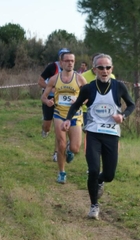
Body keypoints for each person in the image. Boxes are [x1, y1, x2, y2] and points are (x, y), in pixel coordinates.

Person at [61, 53, 135, 220]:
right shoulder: (88, 88)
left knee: (109, 175)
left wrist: (122, 115)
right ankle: (94, 205)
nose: (104, 71)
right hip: (93, 133)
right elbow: (76, 105)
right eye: (100, 68)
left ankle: (100, 181)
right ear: (94, 70)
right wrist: (67, 120)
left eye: (108, 67)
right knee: (93, 170)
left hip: (111, 135)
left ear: (112, 69)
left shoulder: (119, 87)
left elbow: (131, 105)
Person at [41, 51, 87, 184]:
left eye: (72, 61)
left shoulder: (79, 79)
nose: (70, 63)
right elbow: (44, 96)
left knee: (75, 148)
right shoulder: (55, 79)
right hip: (59, 114)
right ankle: (62, 172)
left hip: (75, 115)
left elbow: (88, 97)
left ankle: (69, 149)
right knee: (60, 144)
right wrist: (47, 101)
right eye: (67, 60)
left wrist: (79, 101)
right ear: (61, 63)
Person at [38, 48, 70, 162]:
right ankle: (45, 130)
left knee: (59, 129)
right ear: (59, 59)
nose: (67, 61)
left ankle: (57, 153)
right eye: (63, 57)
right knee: (48, 124)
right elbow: (40, 81)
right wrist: (50, 89)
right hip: (49, 98)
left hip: (62, 102)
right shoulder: (52, 67)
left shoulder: (70, 70)